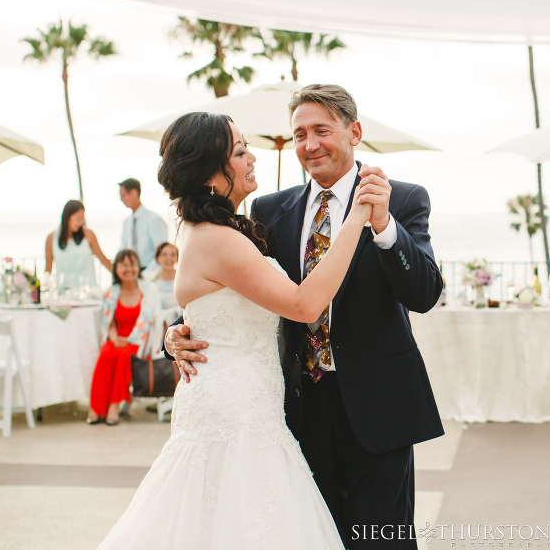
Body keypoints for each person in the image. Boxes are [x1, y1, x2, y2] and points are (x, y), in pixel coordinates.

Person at [99, 100, 418, 550]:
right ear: (211, 172)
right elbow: (302, 303)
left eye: (248, 148)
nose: (253, 158)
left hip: (338, 408)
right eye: (240, 151)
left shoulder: (217, 228)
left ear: (353, 132)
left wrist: (180, 330)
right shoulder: (230, 232)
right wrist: (357, 219)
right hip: (246, 414)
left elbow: (220, 301)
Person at [87, 250, 161, 426]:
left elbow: (148, 320)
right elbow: (108, 321)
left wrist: (128, 340)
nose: (129, 269)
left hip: (139, 340)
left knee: (123, 357)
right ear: (116, 269)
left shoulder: (149, 290)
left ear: (138, 267)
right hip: (116, 337)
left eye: (132, 264)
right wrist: (114, 338)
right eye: (124, 265)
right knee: (105, 354)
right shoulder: (111, 292)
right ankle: (96, 407)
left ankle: (114, 406)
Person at [45, 200, 112, 291]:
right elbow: (48, 271)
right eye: (78, 219)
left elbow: (104, 261)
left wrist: (123, 278)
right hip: (63, 295)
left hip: (88, 293)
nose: (80, 223)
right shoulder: (51, 238)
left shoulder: (89, 235)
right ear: (67, 217)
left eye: (82, 219)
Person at [119, 178, 168, 274]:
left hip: (151, 275)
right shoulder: (127, 222)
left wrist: (145, 276)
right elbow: (123, 249)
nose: (121, 199)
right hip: (131, 274)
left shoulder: (155, 220)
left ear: (133, 193)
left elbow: (163, 254)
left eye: (123, 195)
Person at [152, 243, 179, 310]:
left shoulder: (184, 280)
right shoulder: (151, 281)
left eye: (173, 254)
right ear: (158, 258)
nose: (169, 258)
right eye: (164, 254)